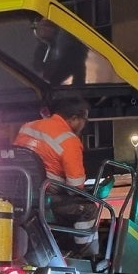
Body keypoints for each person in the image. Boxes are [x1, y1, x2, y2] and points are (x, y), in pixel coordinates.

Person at [13, 96, 98, 255]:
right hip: (46, 198)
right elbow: (75, 187)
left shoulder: (27, 127)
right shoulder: (69, 140)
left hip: (19, 193)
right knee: (88, 209)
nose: (84, 125)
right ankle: (86, 253)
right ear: (74, 118)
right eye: (84, 120)